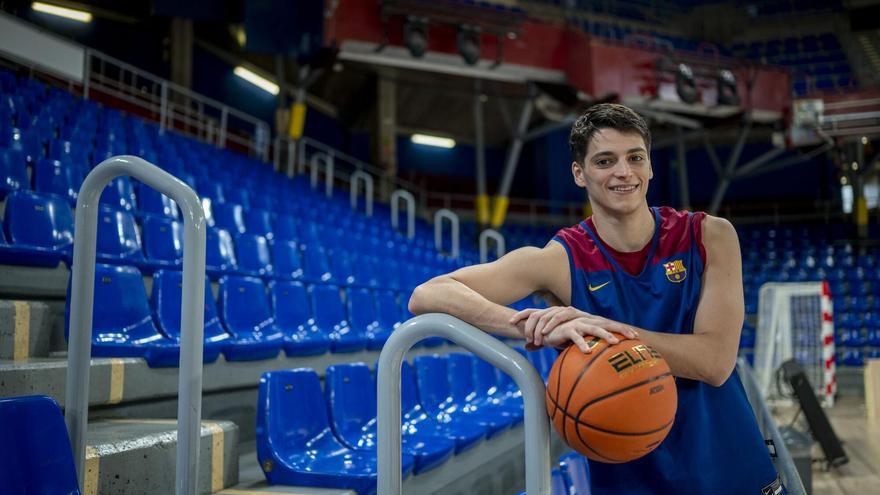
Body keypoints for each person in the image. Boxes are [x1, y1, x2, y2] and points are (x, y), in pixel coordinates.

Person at [408, 103, 785, 494]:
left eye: (635, 157)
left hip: (732, 469)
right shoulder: (561, 259)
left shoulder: (709, 236)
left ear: (650, 166)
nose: (624, 172)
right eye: (605, 161)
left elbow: (715, 362)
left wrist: (612, 332)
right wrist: (526, 325)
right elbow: (428, 294)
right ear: (579, 173)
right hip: (633, 479)